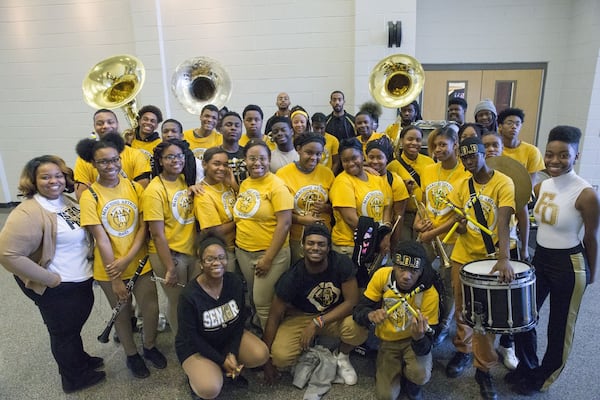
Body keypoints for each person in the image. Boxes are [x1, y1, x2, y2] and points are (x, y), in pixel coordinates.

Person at [0, 155, 105, 393]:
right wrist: (50, 279)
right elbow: (7, 254)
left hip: (77, 279)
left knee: (72, 327)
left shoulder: (63, 201)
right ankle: (73, 378)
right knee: (63, 333)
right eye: (45, 177)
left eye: (58, 175)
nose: (53, 181)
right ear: (33, 181)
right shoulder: (28, 211)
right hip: (58, 286)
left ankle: (79, 360)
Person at [510, 126, 599, 396]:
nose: (555, 161)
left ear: (576, 155)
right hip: (541, 259)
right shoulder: (541, 185)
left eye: (563, 155)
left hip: (569, 265)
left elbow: (592, 239)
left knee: (559, 327)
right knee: (523, 318)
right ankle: (527, 367)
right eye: (550, 154)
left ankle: (543, 378)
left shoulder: (586, 194)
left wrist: (592, 275)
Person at [77, 133, 167, 379]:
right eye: (103, 162)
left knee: (150, 308)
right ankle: (131, 354)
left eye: (114, 160)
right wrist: (115, 277)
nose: (111, 166)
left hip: (138, 262)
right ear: (94, 164)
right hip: (108, 267)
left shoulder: (135, 187)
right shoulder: (90, 195)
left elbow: (143, 227)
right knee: (122, 312)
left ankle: (149, 346)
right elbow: (101, 237)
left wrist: (128, 259)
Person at [447, 136, 516, 400]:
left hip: (489, 258)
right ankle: (463, 352)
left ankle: (483, 369)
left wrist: (504, 257)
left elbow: (504, 220)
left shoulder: (503, 182)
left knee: (485, 316)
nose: (468, 161)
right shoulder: (462, 186)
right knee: (463, 311)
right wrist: (461, 225)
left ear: (483, 153)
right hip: (463, 255)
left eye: (472, 155)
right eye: (464, 157)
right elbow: (459, 217)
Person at [262, 224, 368, 385]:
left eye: (321, 244)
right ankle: (308, 350)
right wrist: (266, 361)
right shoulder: (291, 278)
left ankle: (342, 356)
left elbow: (352, 302)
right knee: (280, 358)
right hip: (301, 315)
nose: (315, 248)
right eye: (310, 243)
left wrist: (317, 322)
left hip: (333, 312)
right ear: (302, 247)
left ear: (329, 248)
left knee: (359, 329)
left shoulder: (341, 263)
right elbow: (274, 317)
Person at [176, 236, 270, 400]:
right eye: (209, 259)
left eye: (221, 258)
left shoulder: (234, 282)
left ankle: (225, 367)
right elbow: (191, 337)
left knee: (261, 354)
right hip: (196, 347)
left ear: (227, 260)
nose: (216, 263)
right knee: (210, 389)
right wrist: (221, 360)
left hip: (225, 338)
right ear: (201, 263)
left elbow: (239, 322)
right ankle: (198, 376)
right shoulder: (189, 295)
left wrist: (232, 352)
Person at [353, 241, 440, 400]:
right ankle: (392, 369)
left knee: (420, 375)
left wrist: (419, 338)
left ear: (421, 271)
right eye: (402, 268)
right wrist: (369, 315)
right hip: (387, 341)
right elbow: (359, 310)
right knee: (386, 396)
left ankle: (411, 381)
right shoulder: (382, 275)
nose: (406, 276)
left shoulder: (430, 294)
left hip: (411, 341)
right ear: (394, 266)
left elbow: (428, 344)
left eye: (413, 271)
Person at [416, 126, 470, 347]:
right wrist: (421, 224)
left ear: (455, 144)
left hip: (451, 239)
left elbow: (460, 216)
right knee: (419, 277)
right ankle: (419, 319)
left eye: (442, 145)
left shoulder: (466, 174)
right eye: (434, 146)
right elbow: (424, 203)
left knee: (449, 286)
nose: (437, 150)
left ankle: (444, 326)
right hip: (428, 234)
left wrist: (432, 232)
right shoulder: (429, 170)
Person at [233, 140, 293, 330]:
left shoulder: (277, 186)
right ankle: (261, 332)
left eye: (262, 158)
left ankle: (270, 350)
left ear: (269, 160)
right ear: (245, 160)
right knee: (253, 297)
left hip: (270, 254)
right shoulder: (245, 183)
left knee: (263, 303)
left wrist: (267, 258)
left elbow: (285, 224)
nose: (256, 163)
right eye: (252, 158)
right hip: (244, 251)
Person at [141, 139, 197, 335]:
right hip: (170, 255)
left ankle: (193, 336)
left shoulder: (184, 180)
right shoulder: (154, 190)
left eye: (179, 156)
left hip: (191, 251)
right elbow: (156, 234)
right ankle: (183, 343)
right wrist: (170, 268)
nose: (176, 160)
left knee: (191, 299)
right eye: (170, 157)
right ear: (160, 161)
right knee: (177, 302)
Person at [276, 133, 335, 264]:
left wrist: (325, 207)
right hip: (296, 237)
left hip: (324, 236)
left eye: (318, 154)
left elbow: (336, 208)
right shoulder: (283, 174)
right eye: (309, 152)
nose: (314, 157)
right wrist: (302, 220)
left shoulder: (327, 174)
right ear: (298, 149)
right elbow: (278, 213)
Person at [330, 138, 392, 260]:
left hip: (375, 242)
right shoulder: (342, 182)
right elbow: (351, 219)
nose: (351, 163)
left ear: (362, 156)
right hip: (350, 246)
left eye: (354, 158)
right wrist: (377, 239)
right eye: (345, 161)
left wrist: (386, 236)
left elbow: (386, 208)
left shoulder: (376, 178)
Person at [74, 109, 151, 200]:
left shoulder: (136, 155)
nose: (105, 126)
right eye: (100, 123)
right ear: (94, 127)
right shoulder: (84, 159)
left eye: (110, 122)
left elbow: (142, 192)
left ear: (117, 124)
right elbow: (81, 196)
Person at [387, 125, 435, 242]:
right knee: (405, 249)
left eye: (418, 140)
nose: (414, 143)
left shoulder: (429, 162)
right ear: (402, 141)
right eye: (410, 139)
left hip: (426, 216)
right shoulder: (392, 166)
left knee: (423, 252)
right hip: (404, 217)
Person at [195, 147, 238, 273]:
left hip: (240, 247)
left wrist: (234, 184)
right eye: (216, 164)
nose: (221, 168)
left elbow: (247, 202)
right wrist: (241, 219)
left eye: (225, 165)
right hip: (223, 252)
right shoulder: (202, 194)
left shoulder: (226, 183)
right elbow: (214, 231)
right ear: (204, 164)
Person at [365, 137, 409, 246]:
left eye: (379, 157)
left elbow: (399, 217)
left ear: (387, 158)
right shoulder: (360, 177)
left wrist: (393, 244)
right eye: (371, 157)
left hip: (385, 234)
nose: (375, 162)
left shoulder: (394, 180)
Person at [218, 111, 247, 186]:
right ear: (220, 130)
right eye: (229, 125)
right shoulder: (214, 154)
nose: (233, 128)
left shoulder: (248, 153)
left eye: (237, 126)